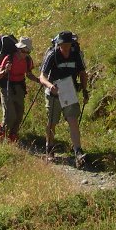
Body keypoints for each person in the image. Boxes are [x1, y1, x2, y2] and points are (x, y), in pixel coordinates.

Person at [39, 30, 89, 168]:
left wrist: (85, 90)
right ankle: (49, 148)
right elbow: (42, 76)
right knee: (52, 122)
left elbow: (83, 73)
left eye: (68, 44)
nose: (65, 47)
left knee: (73, 120)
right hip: (53, 92)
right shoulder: (52, 54)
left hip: (70, 91)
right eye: (63, 45)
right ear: (59, 44)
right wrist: (50, 86)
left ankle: (78, 152)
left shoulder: (76, 54)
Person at [0, 37, 36, 143]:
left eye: (27, 51)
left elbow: (29, 74)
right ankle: (1, 133)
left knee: (19, 114)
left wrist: (39, 80)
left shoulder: (28, 60)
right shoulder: (8, 58)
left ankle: (13, 135)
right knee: (10, 115)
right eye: (23, 50)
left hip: (20, 87)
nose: (25, 53)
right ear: (18, 49)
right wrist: (5, 71)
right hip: (7, 86)